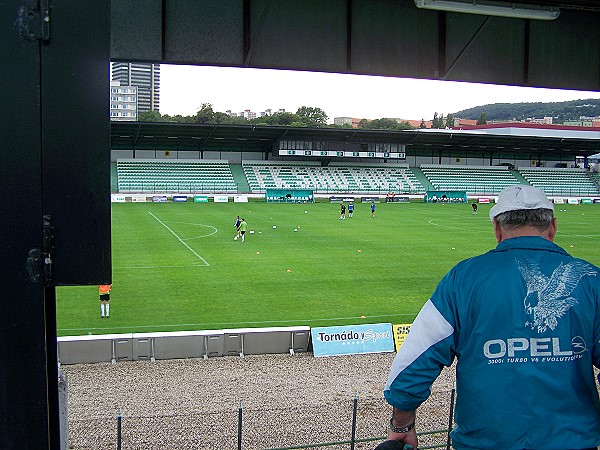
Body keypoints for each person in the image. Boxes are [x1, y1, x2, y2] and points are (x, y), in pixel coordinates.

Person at [383, 185, 600, 450]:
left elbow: (414, 361)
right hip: (573, 441)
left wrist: (402, 424)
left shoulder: (462, 278)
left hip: (484, 443)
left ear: (497, 228)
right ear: (553, 227)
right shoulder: (593, 280)